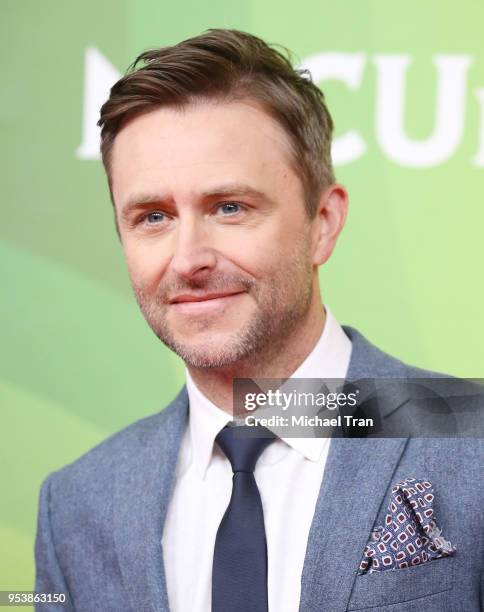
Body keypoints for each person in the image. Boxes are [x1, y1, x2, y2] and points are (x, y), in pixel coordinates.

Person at [34, 29, 483, 612]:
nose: (189, 259)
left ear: (322, 222)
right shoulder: (75, 504)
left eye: (230, 208)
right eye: (153, 217)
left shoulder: (472, 444)